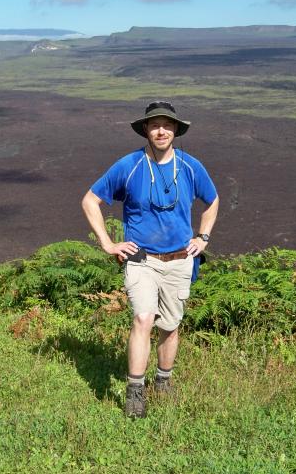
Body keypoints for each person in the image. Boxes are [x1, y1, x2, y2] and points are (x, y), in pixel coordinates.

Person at [81, 101, 219, 418]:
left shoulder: (189, 166)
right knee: (143, 318)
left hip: (181, 259)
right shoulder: (128, 166)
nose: (161, 130)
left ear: (175, 130)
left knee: (170, 326)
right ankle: (135, 393)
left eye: (167, 125)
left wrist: (203, 236)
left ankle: (163, 383)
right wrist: (107, 242)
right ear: (145, 130)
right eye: (155, 125)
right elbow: (90, 200)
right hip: (141, 259)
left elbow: (212, 201)